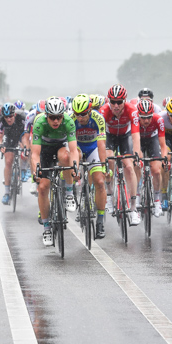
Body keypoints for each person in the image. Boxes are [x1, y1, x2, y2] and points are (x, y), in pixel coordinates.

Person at [31, 97, 79, 246]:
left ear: (63, 115)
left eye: (59, 117)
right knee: (43, 187)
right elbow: (35, 154)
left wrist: (75, 168)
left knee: (66, 157)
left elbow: (73, 150)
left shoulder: (69, 122)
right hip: (44, 151)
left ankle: (69, 193)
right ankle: (46, 228)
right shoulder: (39, 123)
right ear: (47, 116)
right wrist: (36, 170)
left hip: (60, 147)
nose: (56, 121)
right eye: (52, 117)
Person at [100, 84, 142, 225]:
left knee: (129, 167)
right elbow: (100, 138)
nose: (116, 105)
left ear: (125, 100)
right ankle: (110, 195)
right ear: (109, 101)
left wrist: (136, 154)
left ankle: (134, 208)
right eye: (113, 102)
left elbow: (136, 136)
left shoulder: (132, 110)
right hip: (109, 136)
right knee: (109, 161)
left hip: (126, 136)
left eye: (119, 102)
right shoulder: (104, 111)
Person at [70, 94, 109, 237]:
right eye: (77, 114)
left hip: (93, 148)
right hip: (78, 148)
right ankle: (76, 192)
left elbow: (101, 145)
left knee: (99, 182)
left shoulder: (98, 118)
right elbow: (71, 147)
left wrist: (104, 166)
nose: (80, 118)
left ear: (90, 110)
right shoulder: (71, 119)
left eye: (84, 114)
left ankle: (100, 220)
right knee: (75, 164)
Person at [134, 99, 166, 217]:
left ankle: (157, 200)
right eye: (143, 117)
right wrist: (138, 154)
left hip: (153, 140)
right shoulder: (134, 120)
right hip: (138, 140)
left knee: (157, 171)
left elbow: (163, 144)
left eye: (149, 117)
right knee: (136, 165)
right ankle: (137, 195)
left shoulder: (158, 120)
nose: (146, 120)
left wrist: (164, 159)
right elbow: (133, 141)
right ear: (138, 115)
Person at [0, 102, 27, 205]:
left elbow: (26, 135)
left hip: (21, 136)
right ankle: (7, 193)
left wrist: (25, 146)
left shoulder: (22, 118)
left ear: (15, 114)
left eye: (11, 116)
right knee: (8, 161)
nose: (8, 119)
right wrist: (0, 146)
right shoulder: (0, 120)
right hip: (9, 139)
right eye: (6, 117)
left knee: (25, 150)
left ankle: (23, 169)